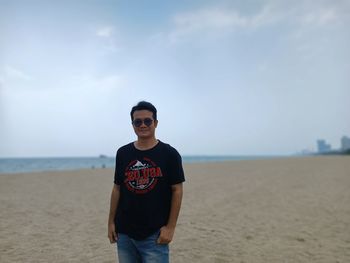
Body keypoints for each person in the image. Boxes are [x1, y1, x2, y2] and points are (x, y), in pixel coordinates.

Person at [108, 101, 185, 263]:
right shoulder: (122, 153)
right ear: (132, 124)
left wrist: (170, 228)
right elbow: (117, 188)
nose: (143, 125)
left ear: (155, 123)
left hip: (154, 234)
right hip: (125, 233)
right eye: (138, 121)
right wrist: (111, 223)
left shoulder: (169, 154)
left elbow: (177, 190)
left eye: (147, 121)